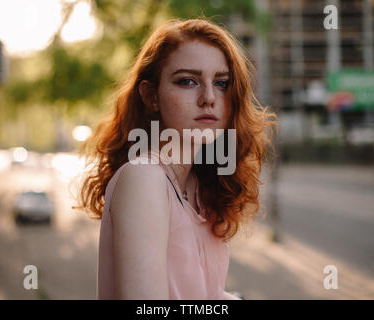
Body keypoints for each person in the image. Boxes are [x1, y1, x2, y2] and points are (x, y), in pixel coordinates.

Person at [78, 18, 277, 300]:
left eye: (221, 83)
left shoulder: (198, 185)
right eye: (188, 81)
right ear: (151, 96)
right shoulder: (144, 177)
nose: (209, 97)